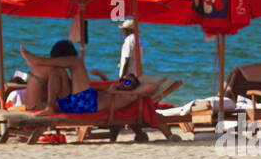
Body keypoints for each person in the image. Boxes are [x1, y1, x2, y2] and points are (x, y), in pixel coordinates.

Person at [20, 41, 159, 140]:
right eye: (122, 79)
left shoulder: (130, 96)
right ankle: (49, 107)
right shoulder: (114, 90)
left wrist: (132, 91)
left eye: (128, 81)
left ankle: (38, 61)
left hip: (85, 106)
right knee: (58, 71)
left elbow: (153, 87)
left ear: (134, 86)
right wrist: (113, 87)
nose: (123, 82)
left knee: (77, 62)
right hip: (73, 104)